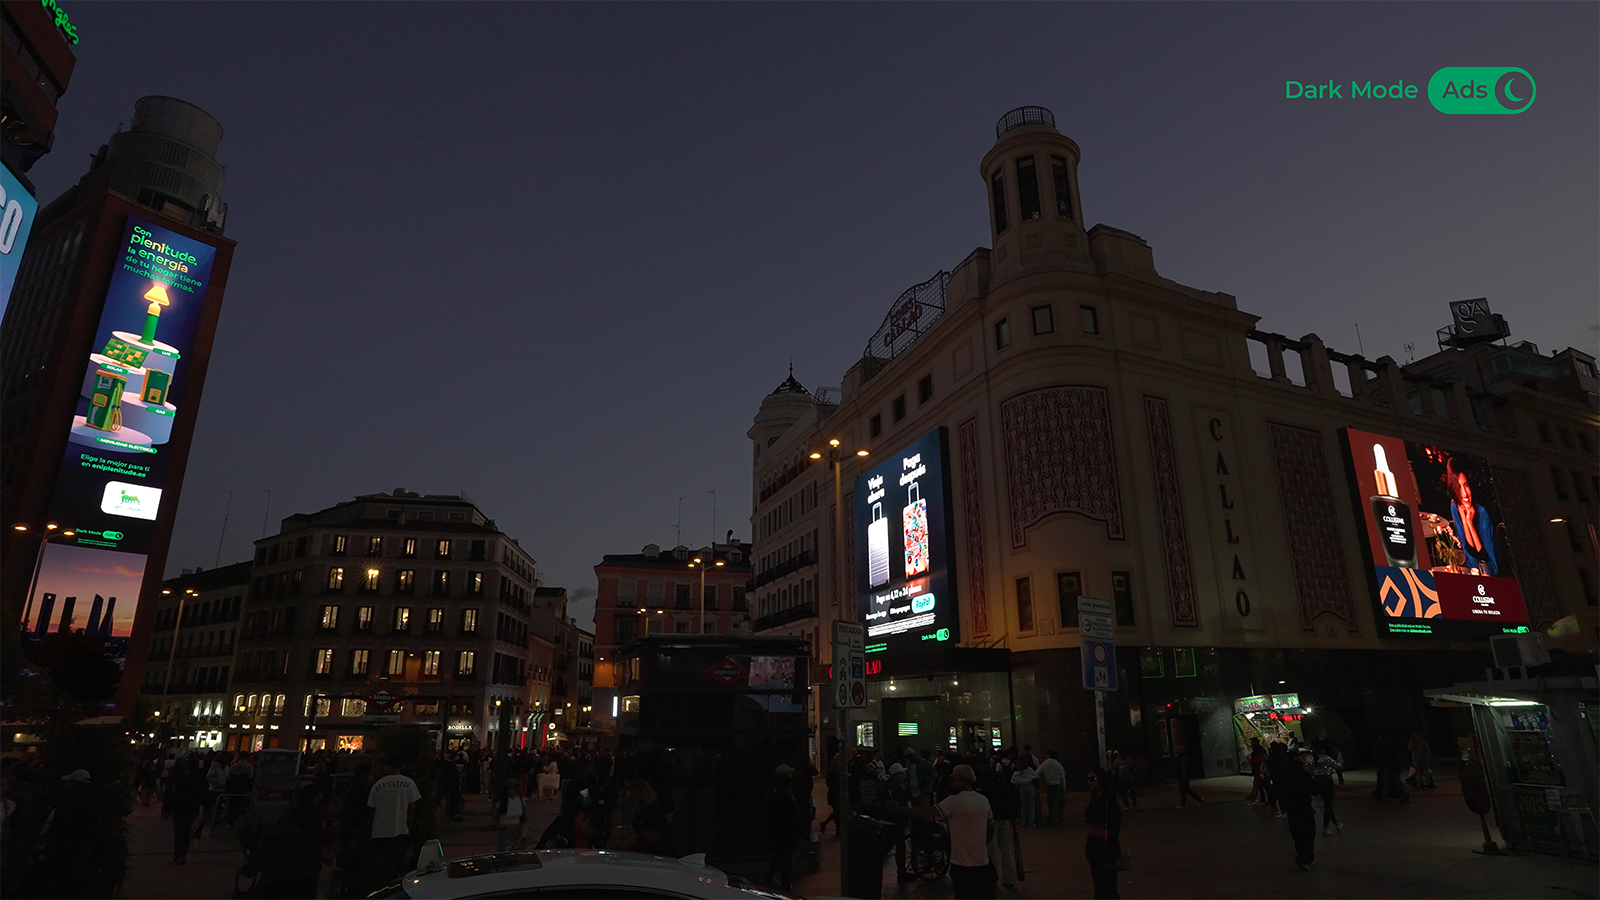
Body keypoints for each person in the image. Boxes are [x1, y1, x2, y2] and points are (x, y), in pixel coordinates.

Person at [924, 764, 995, 900]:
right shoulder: (983, 800)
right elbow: (990, 829)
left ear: (961, 781)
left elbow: (928, 812)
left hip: (961, 864)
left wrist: (899, 809)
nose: (951, 781)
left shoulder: (954, 802)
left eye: (953, 778)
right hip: (981, 861)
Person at [243, 784, 323, 900]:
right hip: (305, 883)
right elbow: (315, 856)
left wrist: (247, 866)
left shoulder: (273, 838)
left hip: (274, 884)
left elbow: (253, 867)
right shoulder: (307, 835)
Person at [367, 761, 421, 884]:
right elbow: (412, 808)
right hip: (400, 829)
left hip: (379, 831)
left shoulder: (378, 785)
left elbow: (372, 809)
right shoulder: (409, 783)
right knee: (400, 862)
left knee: (381, 865)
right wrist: (409, 824)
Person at [1444, 457, 1498, 575]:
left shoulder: (1482, 513)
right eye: (1459, 487)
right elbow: (1471, 562)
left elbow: (1489, 568)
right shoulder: (1455, 508)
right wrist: (1464, 520)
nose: (1464, 493)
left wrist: (1470, 525)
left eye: (1466, 485)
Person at [980, 759, 1020, 887]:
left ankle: (993, 878)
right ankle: (1009, 878)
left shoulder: (983, 781)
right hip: (1004, 817)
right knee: (1006, 849)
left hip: (990, 819)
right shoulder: (1002, 779)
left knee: (992, 850)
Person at [1084, 767, 1122, 900]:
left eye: (1093, 779)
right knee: (1098, 886)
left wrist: (1111, 850)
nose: (1090, 782)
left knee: (1108, 888)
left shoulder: (1109, 801)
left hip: (1105, 846)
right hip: (1094, 845)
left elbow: (1114, 826)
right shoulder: (1094, 799)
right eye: (1088, 779)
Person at [163, 757, 208, 864]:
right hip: (193, 807)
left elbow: (173, 794)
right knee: (187, 831)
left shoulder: (182, 778)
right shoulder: (200, 778)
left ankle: (178, 855)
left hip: (180, 807)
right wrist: (206, 806)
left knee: (179, 832)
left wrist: (167, 808)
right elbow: (204, 793)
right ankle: (182, 854)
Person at [1278, 752, 1318, 870]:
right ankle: (1307, 856)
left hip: (1293, 808)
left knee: (1298, 833)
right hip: (1305, 806)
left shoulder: (1284, 775)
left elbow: (1281, 791)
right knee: (1309, 832)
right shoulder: (1303, 774)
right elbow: (1315, 789)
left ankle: (1303, 856)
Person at [761, 770, 800, 890]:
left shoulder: (773, 799)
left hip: (777, 835)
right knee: (785, 862)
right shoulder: (786, 802)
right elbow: (791, 819)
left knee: (781, 859)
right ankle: (783, 884)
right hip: (785, 836)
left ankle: (771, 878)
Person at [1309, 747, 1341, 836]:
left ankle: (1336, 823)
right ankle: (1325, 828)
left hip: (1317, 782)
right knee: (1328, 805)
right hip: (1327, 782)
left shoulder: (1310, 759)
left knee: (1327, 804)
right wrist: (1339, 756)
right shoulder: (1326, 758)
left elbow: (1308, 770)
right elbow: (1338, 765)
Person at [1037, 750, 1067, 825]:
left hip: (1049, 785)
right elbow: (1062, 777)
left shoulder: (1045, 763)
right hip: (1058, 785)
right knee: (1057, 802)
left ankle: (1051, 817)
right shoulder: (1058, 764)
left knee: (1050, 802)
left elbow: (1037, 772)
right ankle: (1055, 818)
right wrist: (1064, 787)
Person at [1246, 738, 1268, 805]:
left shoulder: (1257, 752)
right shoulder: (1260, 750)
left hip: (1259, 771)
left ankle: (1255, 799)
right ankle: (1261, 798)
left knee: (1259, 785)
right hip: (1260, 771)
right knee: (1262, 785)